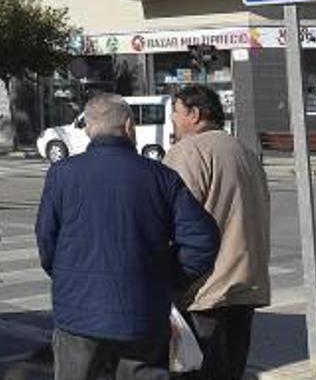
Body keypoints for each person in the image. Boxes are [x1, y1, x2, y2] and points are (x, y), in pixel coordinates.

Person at [36, 93, 220, 380]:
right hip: (143, 313)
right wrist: (170, 279)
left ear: (88, 129)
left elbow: (47, 243)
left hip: (78, 313)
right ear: (128, 126)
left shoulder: (62, 175)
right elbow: (203, 240)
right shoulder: (161, 177)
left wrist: (67, 277)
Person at [163, 85, 272, 380]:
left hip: (205, 289)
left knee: (199, 369)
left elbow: (172, 219)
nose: (172, 119)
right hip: (246, 285)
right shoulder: (243, 151)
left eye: (175, 112)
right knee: (232, 368)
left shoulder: (188, 152)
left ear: (195, 114)